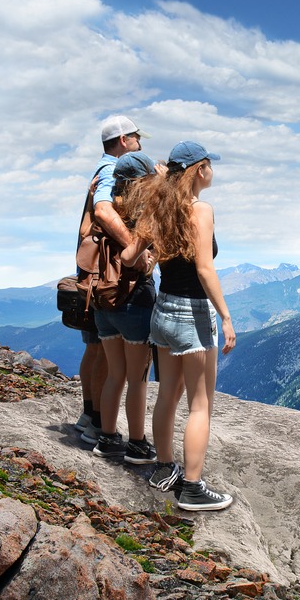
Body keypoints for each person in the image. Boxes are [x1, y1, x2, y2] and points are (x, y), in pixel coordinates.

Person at [121, 140, 236, 511]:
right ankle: (192, 487)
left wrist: (151, 254)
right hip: (193, 314)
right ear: (199, 169)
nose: (212, 171)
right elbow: (204, 268)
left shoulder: (157, 208)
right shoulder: (201, 210)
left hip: (163, 311)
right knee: (200, 405)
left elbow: (127, 256)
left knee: (167, 394)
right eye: (209, 165)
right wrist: (227, 316)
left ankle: (163, 467)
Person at [76, 116, 151, 446]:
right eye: (136, 137)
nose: (139, 142)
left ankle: (91, 417)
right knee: (114, 358)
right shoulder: (112, 171)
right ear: (123, 139)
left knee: (97, 346)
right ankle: (100, 425)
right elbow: (104, 212)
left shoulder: (99, 169)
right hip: (114, 278)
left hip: (93, 273)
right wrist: (134, 250)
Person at [90, 151, 163, 465]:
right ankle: (136, 443)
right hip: (135, 300)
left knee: (115, 375)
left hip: (102, 299)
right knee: (137, 378)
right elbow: (149, 257)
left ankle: (107, 439)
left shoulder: (104, 209)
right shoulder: (141, 214)